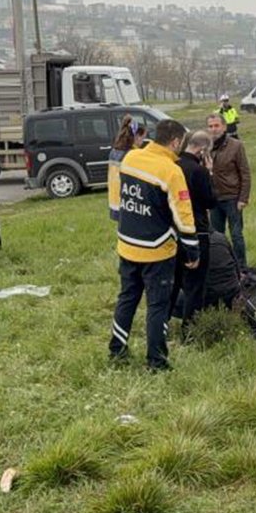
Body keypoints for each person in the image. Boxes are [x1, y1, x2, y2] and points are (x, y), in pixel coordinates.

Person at [108, 119, 199, 371]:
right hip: (157, 251)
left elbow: (120, 197)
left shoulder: (131, 158)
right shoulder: (171, 171)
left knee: (127, 298)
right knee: (158, 306)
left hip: (127, 244)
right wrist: (192, 251)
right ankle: (156, 361)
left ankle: (117, 350)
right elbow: (184, 216)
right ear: (176, 142)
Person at [174, 130, 215, 333]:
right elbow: (210, 200)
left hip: (173, 231)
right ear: (203, 150)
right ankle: (189, 330)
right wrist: (210, 172)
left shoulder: (174, 165)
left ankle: (163, 324)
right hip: (197, 230)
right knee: (195, 284)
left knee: (174, 282)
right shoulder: (199, 171)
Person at [205, 113, 251, 269]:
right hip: (213, 200)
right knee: (217, 237)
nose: (213, 129)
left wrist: (243, 198)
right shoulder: (205, 147)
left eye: (216, 125)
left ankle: (242, 267)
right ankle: (223, 267)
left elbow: (244, 172)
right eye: (210, 126)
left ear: (224, 127)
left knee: (236, 235)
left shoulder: (236, 145)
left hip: (232, 198)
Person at [108, 114, 147, 222]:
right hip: (128, 203)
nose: (142, 142)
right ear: (136, 137)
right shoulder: (133, 154)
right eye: (142, 138)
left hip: (115, 200)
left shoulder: (114, 151)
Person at [204, 231, 242, 310]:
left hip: (209, 298)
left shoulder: (189, 245)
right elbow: (237, 270)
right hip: (232, 293)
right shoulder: (221, 237)